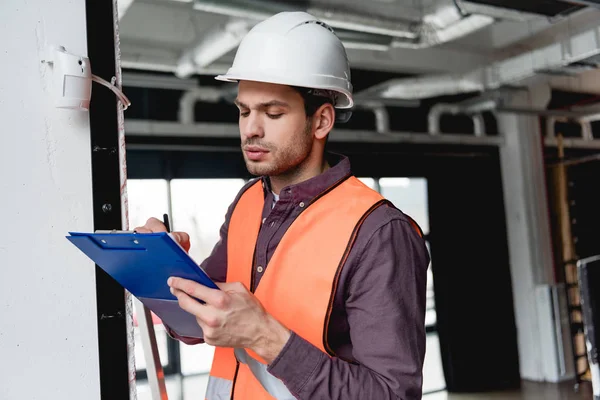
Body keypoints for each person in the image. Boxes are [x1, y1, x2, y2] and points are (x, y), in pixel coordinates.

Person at [135, 11, 430, 400]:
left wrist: (266, 337)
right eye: (243, 111)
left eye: (273, 113)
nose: (250, 129)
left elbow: (391, 395)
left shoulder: (378, 232)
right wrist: (162, 268)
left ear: (321, 121)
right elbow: (200, 325)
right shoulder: (248, 202)